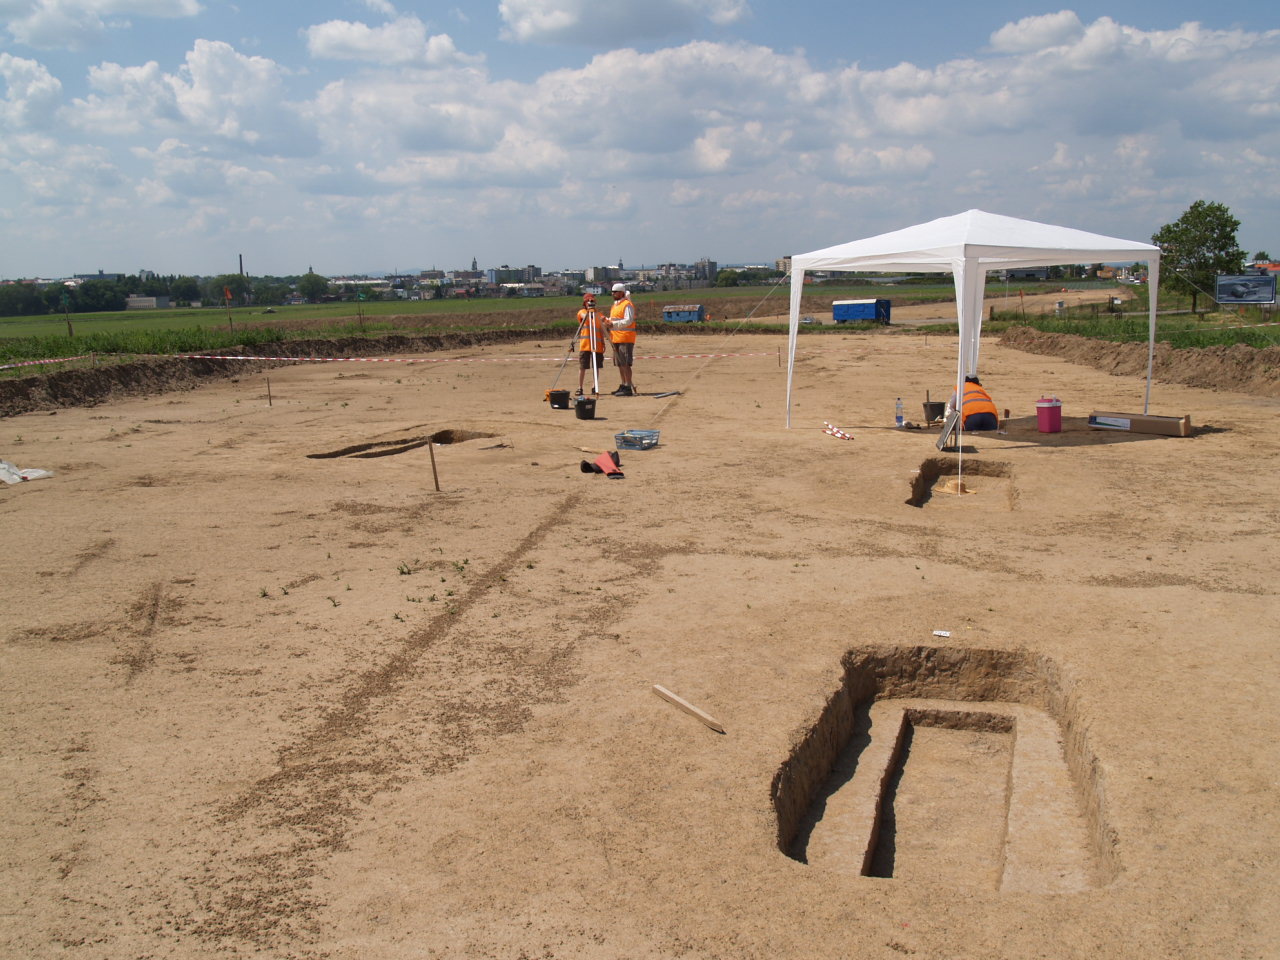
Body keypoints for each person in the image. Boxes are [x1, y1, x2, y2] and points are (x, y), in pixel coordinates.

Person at [574, 294, 608, 396]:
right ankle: (580, 387)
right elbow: (585, 317)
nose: (590, 304)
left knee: (596, 367)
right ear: (584, 303)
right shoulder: (582, 312)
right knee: (582, 367)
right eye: (588, 302)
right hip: (585, 345)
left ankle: (594, 386)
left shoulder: (598, 314)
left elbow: (605, 321)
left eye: (592, 301)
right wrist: (591, 312)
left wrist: (607, 321)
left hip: (597, 346)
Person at [607, 282, 637, 396]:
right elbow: (613, 318)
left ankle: (628, 386)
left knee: (625, 364)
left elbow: (628, 320)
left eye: (615, 292)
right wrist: (607, 321)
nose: (613, 294)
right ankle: (623, 384)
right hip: (615, 338)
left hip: (625, 338)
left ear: (621, 293)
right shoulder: (615, 306)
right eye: (612, 292)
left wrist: (613, 324)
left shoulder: (627, 304)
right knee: (620, 364)